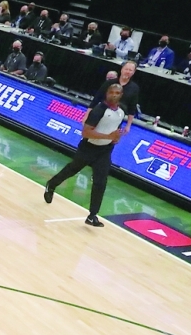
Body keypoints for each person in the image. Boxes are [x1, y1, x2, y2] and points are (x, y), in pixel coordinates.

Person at [43, 83, 125, 227]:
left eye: (116, 93)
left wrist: (116, 138)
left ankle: (92, 215)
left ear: (121, 95)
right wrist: (109, 136)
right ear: (106, 93)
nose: (113, 95)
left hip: (104, 151)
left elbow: (114, 130)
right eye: (111, 92)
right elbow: (86, 132)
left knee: (101, 182)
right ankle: (52, 184)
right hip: (89, 147)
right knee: (72, 169)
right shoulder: (99, 110)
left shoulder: (121, 112)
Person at [89, 60, 138, 133]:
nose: (127, 71)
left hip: (116, 120)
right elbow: (96, 99)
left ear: (133, 72)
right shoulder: (109, 83)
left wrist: (128, 125)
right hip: (100, 116)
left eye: (130, 70)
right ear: (122, 69)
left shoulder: (134, 88)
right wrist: (87, 115)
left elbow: (132, 108)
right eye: (126, 69)